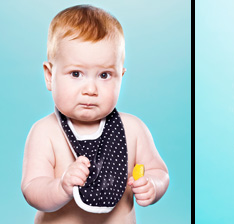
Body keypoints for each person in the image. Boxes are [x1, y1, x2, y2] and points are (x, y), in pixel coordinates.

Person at [21, 5, 169, 223]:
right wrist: (60, 187)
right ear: (50, 76)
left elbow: (159, 171)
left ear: (121, 76)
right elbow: (31, 188)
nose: (90, 89)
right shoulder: (45, 132)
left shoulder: (133, 130)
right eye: (76, 73)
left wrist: (153, 185)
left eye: (104, 75)